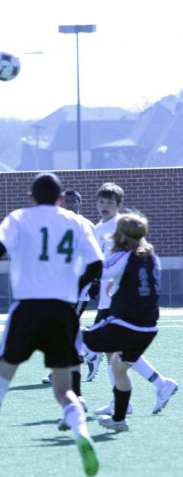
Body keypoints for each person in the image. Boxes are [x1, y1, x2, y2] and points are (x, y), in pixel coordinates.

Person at [0, 172, 104, 477]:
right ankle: (81, 434)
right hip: (62, 311)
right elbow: (97, 266)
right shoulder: (78, 223)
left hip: (27, 309)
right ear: (62, 199)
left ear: (31, 197)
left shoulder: (19, 217)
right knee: (64, 391)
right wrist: (75, 285)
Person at [83, 212, 178, 431]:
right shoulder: (151, 255)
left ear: (121, 237)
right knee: (118, 366)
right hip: (149, 327)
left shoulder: (125, 255)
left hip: (126, 324)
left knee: (77, 336)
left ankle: (85, 355)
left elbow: (101, 271)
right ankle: (119, 420)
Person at [41, 188, 94, 390]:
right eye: (67, 201)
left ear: (81, 204)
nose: (70, 204)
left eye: (74, 201)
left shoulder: (88, 226)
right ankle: (86, 354)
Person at [84, 182, 125, 384]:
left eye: (109, 202)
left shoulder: (121, 225)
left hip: (117, 291)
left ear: (119, 204)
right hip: (105, 291)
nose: (104, 205)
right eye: (101, 201)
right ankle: (120, 399)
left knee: (105, 341)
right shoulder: (98, 227)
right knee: (112, 347)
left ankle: (90, 353)